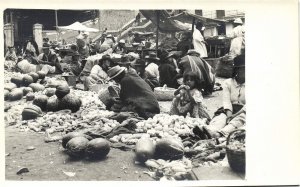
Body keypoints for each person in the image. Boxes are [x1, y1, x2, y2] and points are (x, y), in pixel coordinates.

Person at [197, 55, 245, 139]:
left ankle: (220, 134)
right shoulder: (228, 83)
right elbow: (227, 101)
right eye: (241, 69)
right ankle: (209, 131)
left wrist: (234, 116)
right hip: (229, 110)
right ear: (236, 70)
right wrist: (229, 115)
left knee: (237, 121)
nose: (244, 72)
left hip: (243, 112)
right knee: (221, 118)